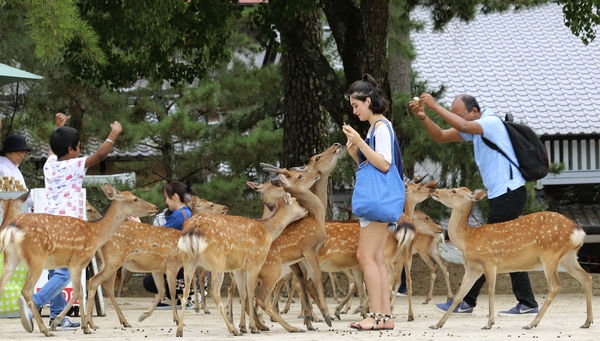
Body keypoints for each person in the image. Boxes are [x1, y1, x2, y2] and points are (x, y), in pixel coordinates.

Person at [409, 93, 539, 316]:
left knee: (485, 249)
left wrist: (434, 106)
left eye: (461, 114)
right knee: (496, 248)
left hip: (508, 192)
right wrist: (424, 117)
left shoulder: (489, 123)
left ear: (475, 112)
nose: (457, 118)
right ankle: (523, 302)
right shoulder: (475, 126)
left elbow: (461, 125)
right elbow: (440, 135)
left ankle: (470, 300)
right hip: (503, 194)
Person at [19, 113, 122, 332]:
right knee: (66, 273)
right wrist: (113, 134)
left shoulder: (50, 165)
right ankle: (33, 304)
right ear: (71, 150)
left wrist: (58, 126)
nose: (80, 149)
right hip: (69, 227)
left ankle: (57, 316)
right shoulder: (73, 165)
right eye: (78, 146)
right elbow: (101, 155)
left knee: (56, 269)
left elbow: (51, 150)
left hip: (48, 224)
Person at [343, 74, 404, 330]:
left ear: (368, 101)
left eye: (356, 106)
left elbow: (384, 163)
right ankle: (384, 316)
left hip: (377, 203)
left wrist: (359, 143)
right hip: (381, 201)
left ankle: (375, 315)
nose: (354, 111)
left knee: (365, 256)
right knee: (376, 258)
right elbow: (374, 166)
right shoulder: (377, 128)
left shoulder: (379, 128)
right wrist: (356, 153)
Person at [143, 181, 195, 310]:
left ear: (175, 196)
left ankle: (179, 297)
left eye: (166, 197)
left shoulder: (179, 215)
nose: (166, 202)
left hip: (182, 268)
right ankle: (182, 296)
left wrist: (138, 224)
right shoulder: (188, 212)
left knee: (149, 282)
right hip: (192, 267)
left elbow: (157, 235)